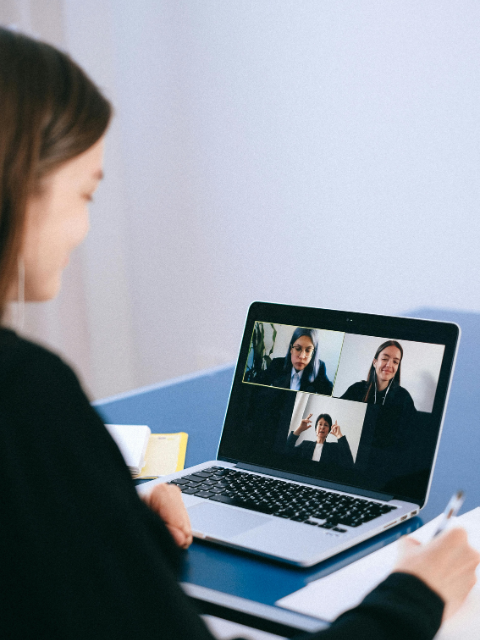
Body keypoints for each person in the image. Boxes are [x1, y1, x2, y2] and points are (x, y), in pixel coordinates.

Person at [0, 27, 478, 640]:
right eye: (85, 193)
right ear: (17, 185)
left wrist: (111, 528)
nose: (84, 229)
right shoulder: (27, 398)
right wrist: (416, 596)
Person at [256, 327, 333, 395]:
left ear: (313, 353)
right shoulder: (277, 364)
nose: (302, 356)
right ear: (291, 349)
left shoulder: (319, 369)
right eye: (298, 349)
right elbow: (256, 385)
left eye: (308, 350)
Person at [340, 340, 415, 409]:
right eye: (385, 359)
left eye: (395, 362)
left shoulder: (403, 397)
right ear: (375, 362)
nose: (389, 365)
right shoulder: (356, 390)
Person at [286, 413, 354, 469]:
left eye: (326, 425)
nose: (322, 427)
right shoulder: (305, 444)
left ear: (329, 430)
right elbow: (286, 452)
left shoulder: (334, 448)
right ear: (316, 428)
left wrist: (339, 435)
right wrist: (299, 430)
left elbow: (349, 463)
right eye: (320, 424)